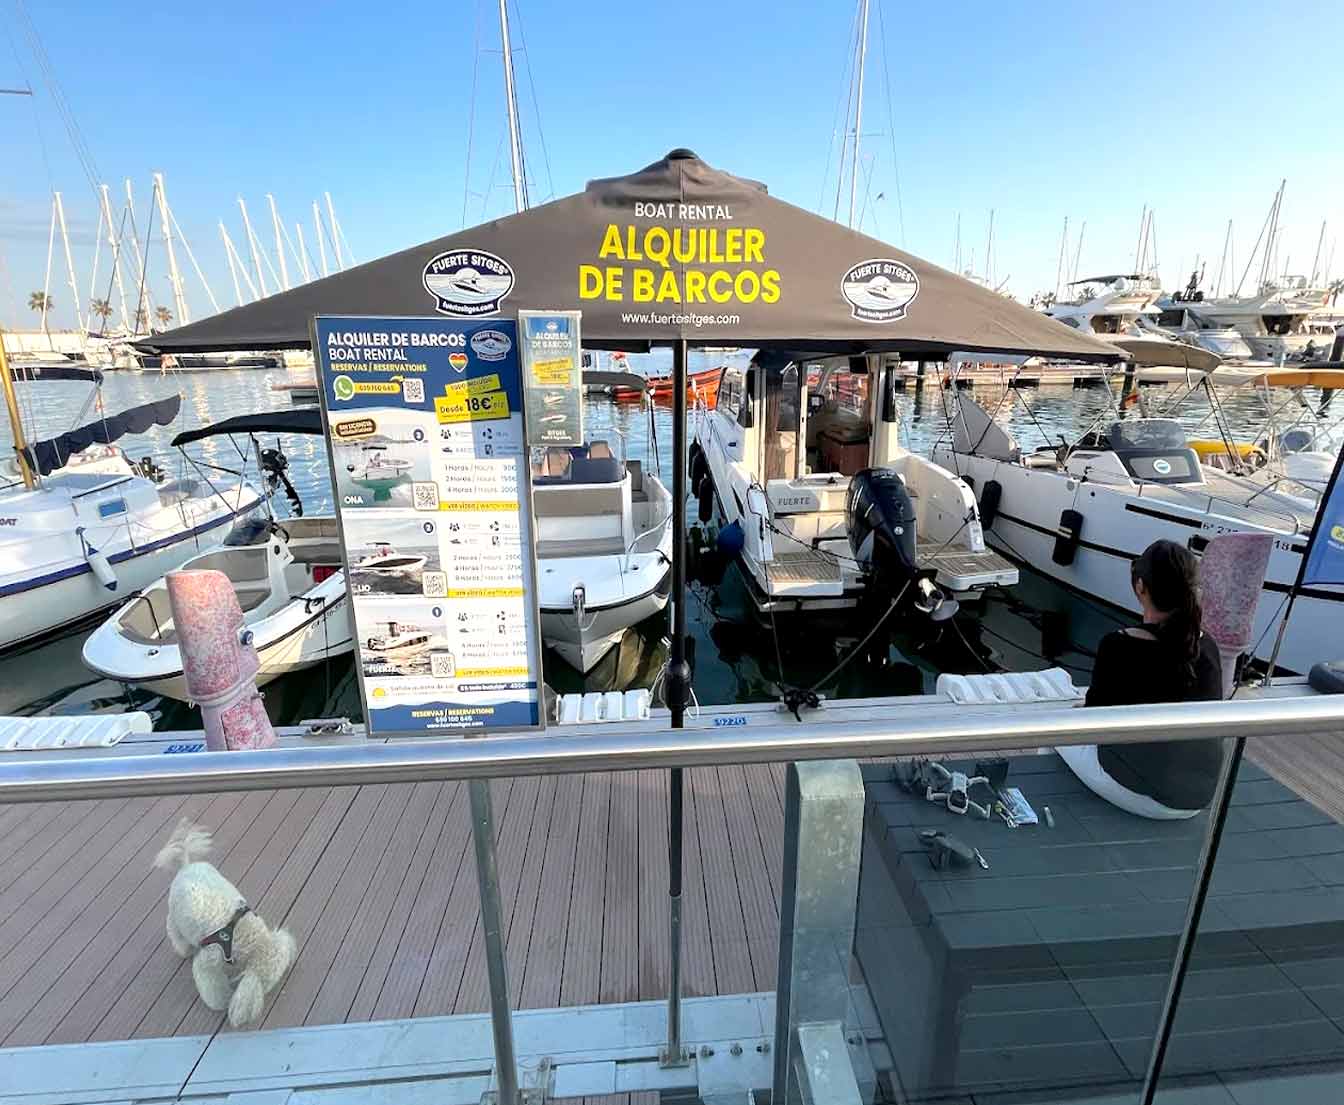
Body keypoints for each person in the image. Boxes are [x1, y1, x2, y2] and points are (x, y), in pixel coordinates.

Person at [1059, 539, 1224, 819]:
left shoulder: (1119, 645)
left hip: (1142, 793)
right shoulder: (1207, 646)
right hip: (1198, 797)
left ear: (1140, 587)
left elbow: (1092, 722)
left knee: (1055, 730)